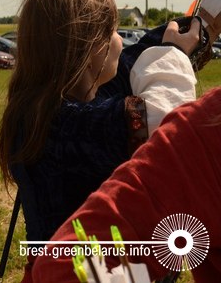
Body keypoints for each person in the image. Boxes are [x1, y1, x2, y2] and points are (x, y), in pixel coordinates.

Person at [0, 0, 206, 278]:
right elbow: (161, 121)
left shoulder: (43, 104)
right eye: (114, 32)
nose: (121, 39)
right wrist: (175, 55)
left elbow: (133, 58)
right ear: (91, 49)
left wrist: (208, 8)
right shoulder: (63, 124)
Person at [30, 87, 221, 282]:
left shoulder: (33, 113)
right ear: (90, 59)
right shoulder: (105, 120)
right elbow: (150, 113)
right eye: (119, 53)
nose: (122, 55)